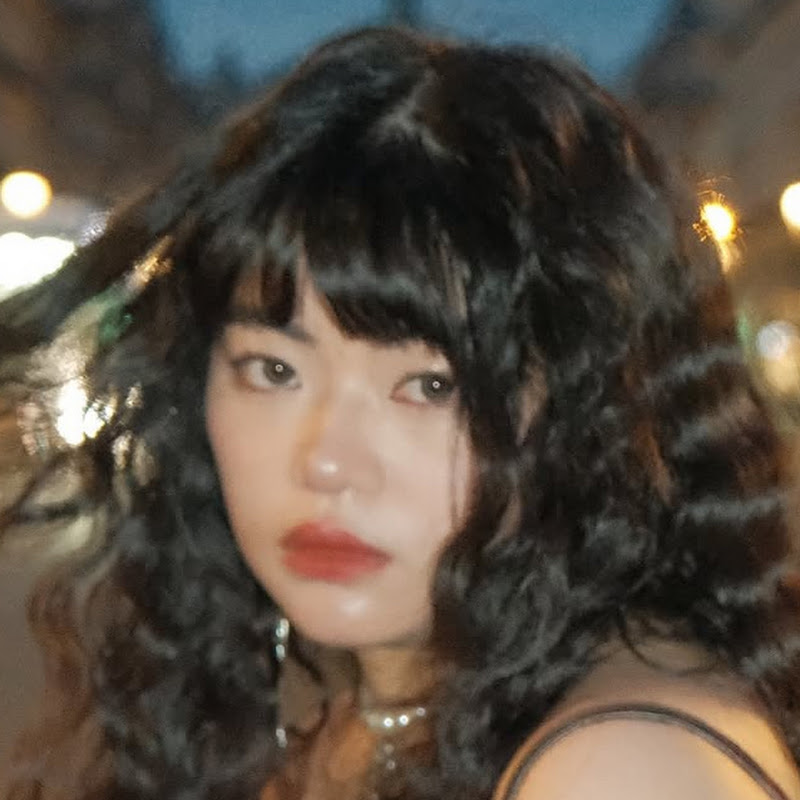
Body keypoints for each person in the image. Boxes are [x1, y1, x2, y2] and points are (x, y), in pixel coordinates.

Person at [2, 24, 800, 800]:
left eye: (430, 387)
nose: (326, 462)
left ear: (591, 413)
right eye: (274, 370)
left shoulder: (620, 767)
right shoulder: (387, 720)